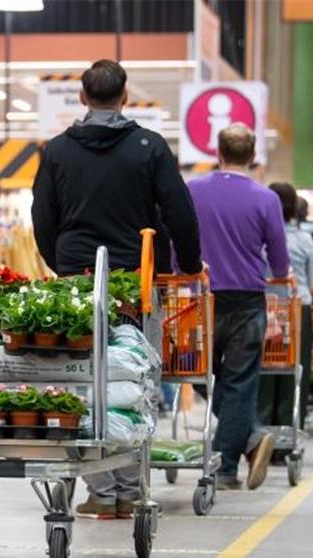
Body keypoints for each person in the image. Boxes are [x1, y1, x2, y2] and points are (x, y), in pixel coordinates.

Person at [31, 58, 202, 519]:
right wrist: (186, 263)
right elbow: (179, 212)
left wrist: (62, 264)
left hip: (77, 283)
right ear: (125, 96)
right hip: (135, 283)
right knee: (136, 379)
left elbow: (42, 218)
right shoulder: (149, 147)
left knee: (84, 381)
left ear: (82, 97)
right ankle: (129, 489)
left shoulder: (58, 151)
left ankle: (100, 492)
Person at [187, 124, 289, 491]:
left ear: (218, 153)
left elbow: (175, 238)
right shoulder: (266, 200)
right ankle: (232, 459)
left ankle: (239, 446)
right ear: (252, 156)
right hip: (247, 301)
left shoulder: (192, 190)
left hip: (200, 300)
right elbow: (279, 262)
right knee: (240, 384)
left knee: (197, 375)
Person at [259, 182, 313, 431]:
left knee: (264, 370)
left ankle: (262, 434)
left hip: (266, 308)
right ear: (295, 207)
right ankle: (291, 429)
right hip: (296, 309)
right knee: (295, 370)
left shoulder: (259, 238)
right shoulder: (304, 239)